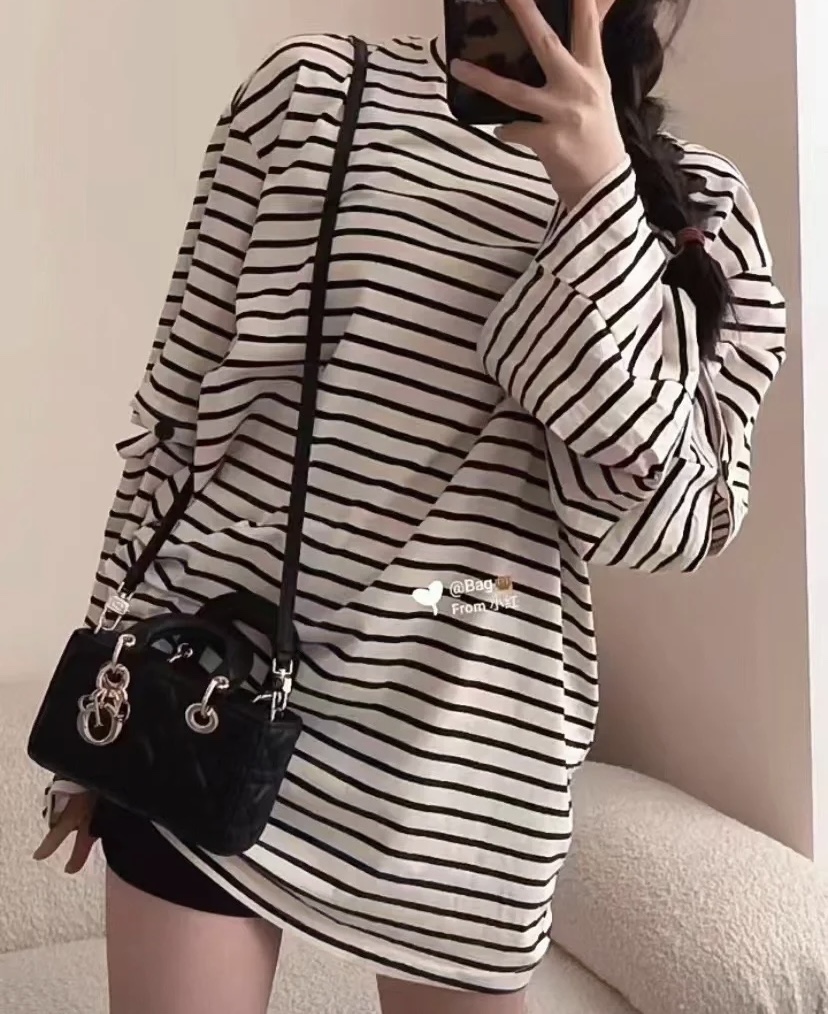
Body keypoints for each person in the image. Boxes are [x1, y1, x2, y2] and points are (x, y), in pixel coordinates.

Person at [32, 0, 786, 1011]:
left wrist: (601, 204)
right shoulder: (309, 93)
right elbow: (172, 423)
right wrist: (102, 688)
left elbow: (669, 523)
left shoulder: (703, 209)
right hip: (216, 696)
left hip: (470, 762)